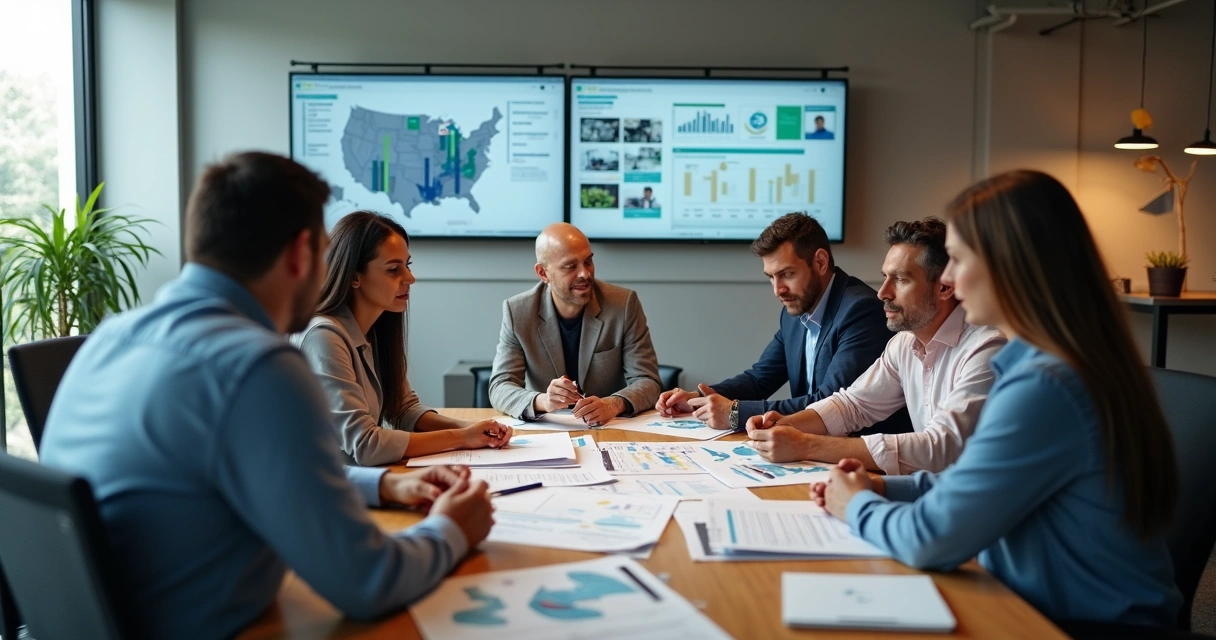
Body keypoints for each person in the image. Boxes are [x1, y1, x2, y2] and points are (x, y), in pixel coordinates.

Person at [38, 152, 495, 639]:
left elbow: (249, 477)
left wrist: (381, 486)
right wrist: (452, 530)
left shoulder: (110, 336)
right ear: (301, 254)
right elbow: (367, 581)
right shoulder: (257, 367)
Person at [812, 170, 1181, 629]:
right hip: (1034, 608)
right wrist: (882, 488)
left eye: (959, 259)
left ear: (1011, 266)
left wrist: (857, 506)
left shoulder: (1046, 386)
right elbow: (969, 484)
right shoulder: (1047, 363)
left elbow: (933, 537)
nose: (947, 277)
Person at [745, 218, 1005, 475]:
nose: (883, 292)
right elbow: (852, 405)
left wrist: (807, 445)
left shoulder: (986, 350)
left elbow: (939, 449)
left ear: (945, 287)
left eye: (901, 279)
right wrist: (784, 425)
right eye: (885, 277)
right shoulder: (904, 343)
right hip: (931, 491)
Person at [656, 213, 910, 434]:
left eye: (787, 274)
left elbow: (828, 402)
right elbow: (759, 379)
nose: (778, 289)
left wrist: (734, 412)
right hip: (808, 447)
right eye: (771, 277)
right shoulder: (797, 310)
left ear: (820, 262)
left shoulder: (860, 310)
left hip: (858, 459)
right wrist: (698, 398)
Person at [295, 211, 512, 466]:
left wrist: (474, 428)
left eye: (407, 266)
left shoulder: (374, 327)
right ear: (354, 276)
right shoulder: (323, 337)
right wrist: (462, 437)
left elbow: (403, 409)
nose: (410, 278)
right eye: (393, 269)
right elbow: (366, 445)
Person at [490, 222, 661, 426]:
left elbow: (648, 381)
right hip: (549, 430)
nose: (585, 274)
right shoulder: (518, 312)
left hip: (608, 428)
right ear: (543, 273)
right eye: (571, 266)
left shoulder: (623, 305)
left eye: (588, 262)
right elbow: (500, 387)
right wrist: (543, 400)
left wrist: (614, 404)